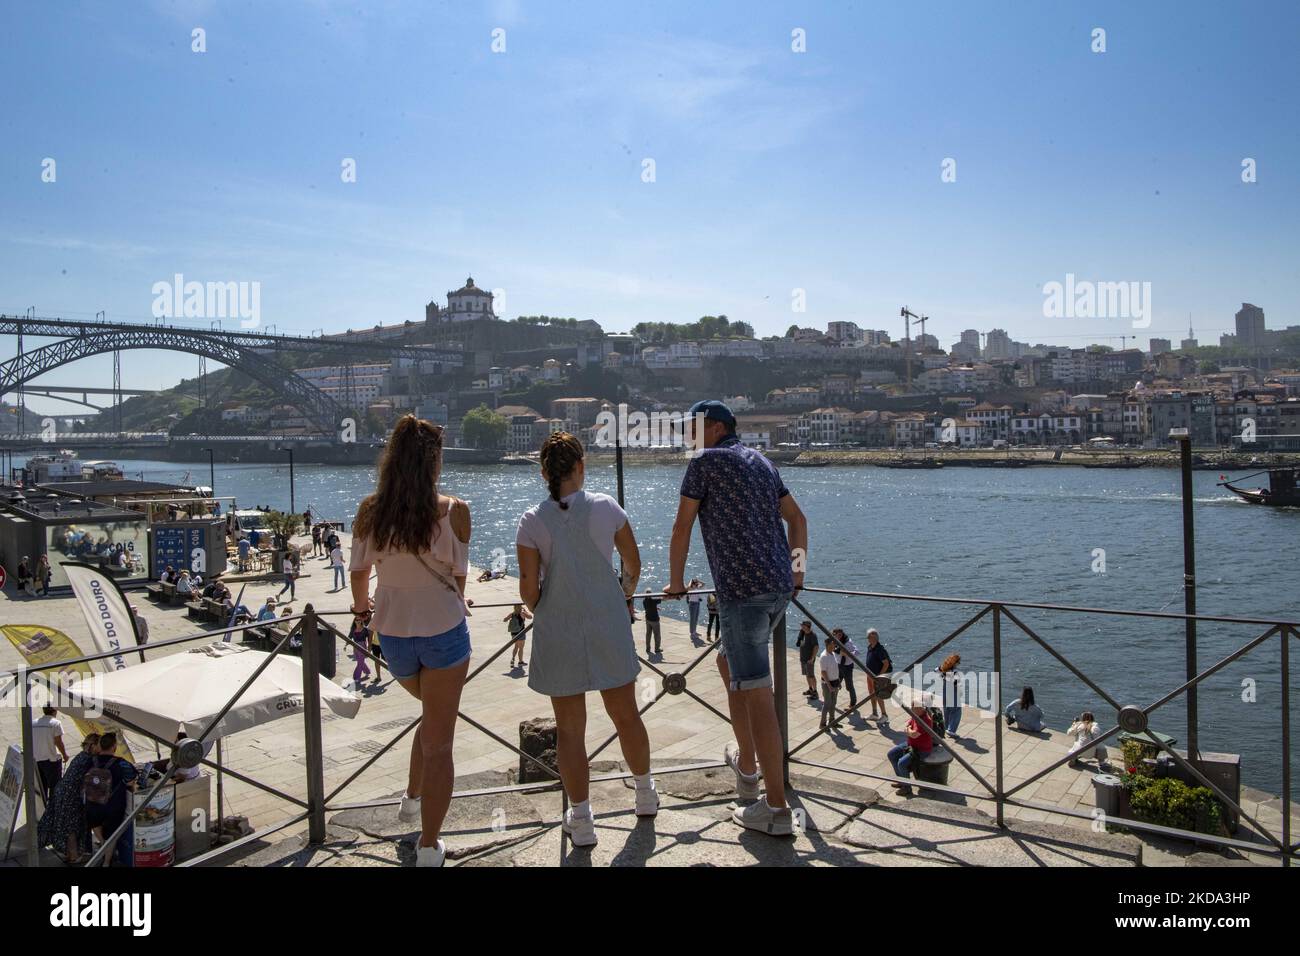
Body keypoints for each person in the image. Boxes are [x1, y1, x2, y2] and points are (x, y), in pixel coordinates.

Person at [667, 399, 808, 837]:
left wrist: (674, 582)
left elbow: (682, 526)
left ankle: (776, 809)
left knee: (758, 696)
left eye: (691, 428)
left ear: (714, 428)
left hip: (742, 594)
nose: (686, 436)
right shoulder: (762, 463)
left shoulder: (704, 463)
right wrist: (797, 572)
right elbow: (797, 520)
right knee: (728, 664)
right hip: (778, 588)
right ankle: (746, 765)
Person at [516, 432, 657, 847]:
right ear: (581, 466)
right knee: (626, 715)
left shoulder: (531, 520)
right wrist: (624, 593)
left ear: (543, 473)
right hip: (607, 622)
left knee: (570, 730)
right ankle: (645, 794)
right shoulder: (607, 507)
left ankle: (581, 819)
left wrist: (542, 601)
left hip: (558, 627)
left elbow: (528, 590)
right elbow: (633, 562)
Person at [349, 414, 472, 868]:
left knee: (432, 718)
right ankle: (428, 845)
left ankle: (412, 797)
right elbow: (459, 578)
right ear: (434, 462)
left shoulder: (370, 511)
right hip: (443, 631)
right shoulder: (454, 510)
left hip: (394, 637)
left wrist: (362, 610)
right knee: (440, 739)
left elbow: (360, 572)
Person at [38, 732, 100, 863]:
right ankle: (74, 856)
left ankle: (69, 853)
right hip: (70, 795)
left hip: (62, 791)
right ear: (93, 745)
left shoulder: (81, 755)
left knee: (66, 823)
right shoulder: (90, 759)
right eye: (99, 745)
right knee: (72, 826)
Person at [82, 732, 137, 866]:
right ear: (114, 747)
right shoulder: (121, 764)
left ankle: (102, 843)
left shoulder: (90, 760)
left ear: (100, 745)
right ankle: (106, 862)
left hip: (92, 805)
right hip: (112, 807)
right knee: (112, 836)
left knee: (98, 829)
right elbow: (131, 781)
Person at [887, 699, 935, 796]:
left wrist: (908, 730)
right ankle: (902, 781)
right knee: (891, 754)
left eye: (915, 708)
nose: (912, 710)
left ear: (922, 708)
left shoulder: (926, 720)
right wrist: (909, 729)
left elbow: (914, 734)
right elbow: (908, 724)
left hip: (921, 749)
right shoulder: (916, 715)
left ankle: (907, 788)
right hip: (910, 744)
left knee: (901, 763)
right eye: (912, 707)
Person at [33, 706, 69, 802]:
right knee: (55, 787)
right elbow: (58, 742)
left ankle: (44, 807)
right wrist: (65, 755)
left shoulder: (34, 723)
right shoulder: (56, 723)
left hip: (36, 760)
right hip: (51, 760)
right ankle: (54, 808)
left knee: (41, 786)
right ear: (55, 711)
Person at [863, 628, 893, 721]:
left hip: (877, 676)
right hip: (870, 675)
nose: (867, 638)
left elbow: (886, 663)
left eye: (869, 637)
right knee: (872, 693)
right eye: (867, 637)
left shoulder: (880, 649)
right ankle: (874, 713)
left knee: (879, 694)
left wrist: (879, 676)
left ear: (875, 637)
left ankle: (884, 715)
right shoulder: (870, 647)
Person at [833, 627, 860, 716]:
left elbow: (857, 652)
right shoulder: (834, 642)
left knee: (849, 685)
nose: (839, 636)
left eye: (840, 635)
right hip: (838, 665)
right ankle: (832, 702)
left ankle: (853, 703)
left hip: (847, 666)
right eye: (837, 635)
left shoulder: (848, 642)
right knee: (836, 683)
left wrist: (847, 654)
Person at [936, 653, 962, 736]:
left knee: (947, 710)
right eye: (958, 662)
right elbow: (956, 683)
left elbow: (935, 670)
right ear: (955, 663)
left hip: (945, 691)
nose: (959, 664)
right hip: (952, 692)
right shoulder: (954, 672)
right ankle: (951, 730)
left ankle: (947, 728)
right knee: (956, 710)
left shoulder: (943, 668)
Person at [818, 637, 841, 731]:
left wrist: (838, 681)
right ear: (828, 645)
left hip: (835, 681)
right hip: (828, 683)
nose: (834, 646)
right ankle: (822, 724)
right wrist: (829, 686)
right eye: (833, 644)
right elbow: (823, 672)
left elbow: (835, 669)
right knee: (827, 704)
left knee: (834, 702)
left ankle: (832, 721)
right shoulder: (823, 656)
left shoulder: (834, 653)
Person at [795, 621, 819, 700]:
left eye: (803, 626)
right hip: (803, 658)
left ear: (807, 626)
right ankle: (810, 689)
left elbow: (816, 647)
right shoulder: (802, 633)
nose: (801, 627)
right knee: (806, 674)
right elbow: (800, 643)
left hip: (809, 659)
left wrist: (812, 658)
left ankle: (815, 692)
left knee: (811, 675)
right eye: (801, 625)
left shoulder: (813, 635)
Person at [504, 604, 532, 669]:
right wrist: (525, 611)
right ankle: (520, 662)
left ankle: (513, 659)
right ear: (520, 607)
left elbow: (504, 620)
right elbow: (530, 617)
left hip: (513, 634)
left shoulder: (512, 614)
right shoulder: (522, 613)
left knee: (516, 646)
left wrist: (508, 618)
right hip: (521, 633)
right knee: (521, 648)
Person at [348, 618, 372, 687]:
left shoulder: (365, 629)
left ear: (361, 621)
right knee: (360, 661)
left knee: (360, 663)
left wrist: (369, 647)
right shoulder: (353, 629)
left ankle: (356, 677)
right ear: (354, 621)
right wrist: (346, 645)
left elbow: (369, 637)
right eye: (356, 620)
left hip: (362, 647)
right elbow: (349, 637)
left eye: (359, 620)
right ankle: (367, 671)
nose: (358, 621)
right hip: (355, 647)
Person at [641, 589, 662, 656]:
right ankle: (657, 649)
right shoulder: (653, 600)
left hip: (648, 619)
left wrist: (656, 608)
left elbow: (648, 608)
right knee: (657, 635)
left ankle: (648, 648)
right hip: (655, 620)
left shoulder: (644, 601)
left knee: (648, 634)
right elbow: (661, 599)